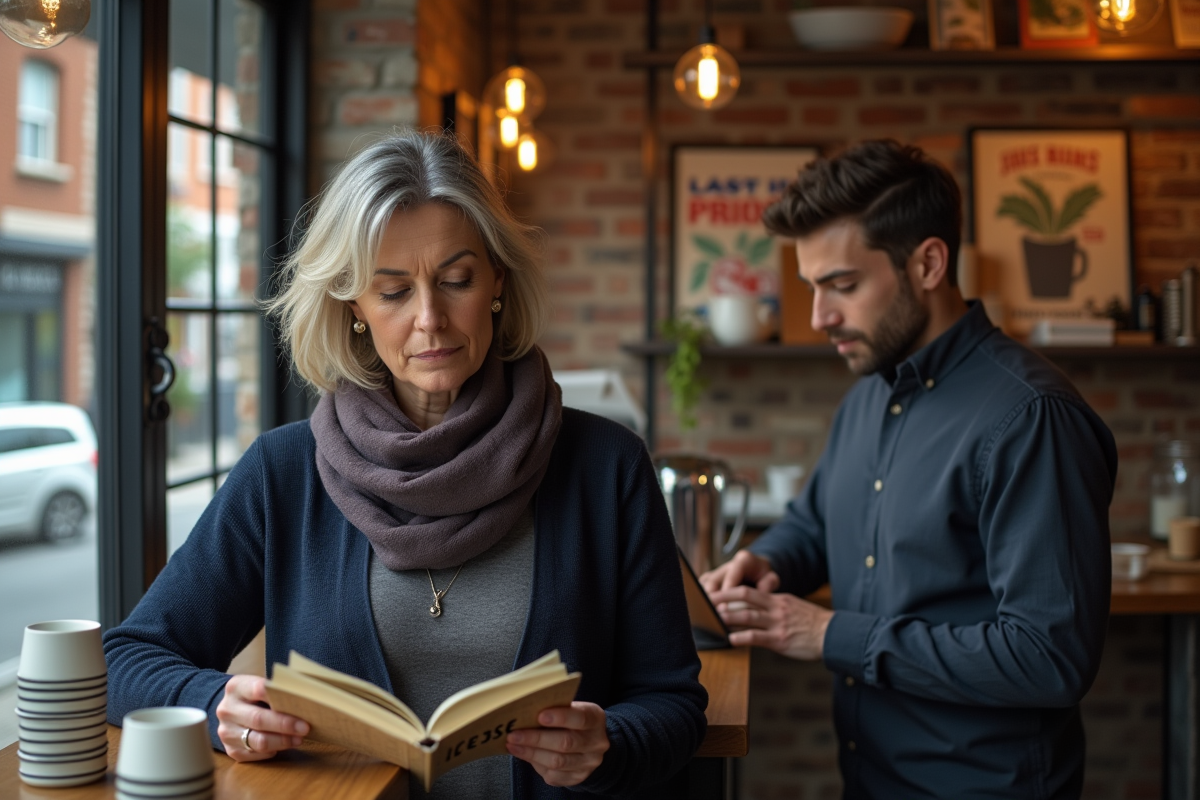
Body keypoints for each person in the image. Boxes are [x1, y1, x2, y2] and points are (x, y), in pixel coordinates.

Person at [103, 131, 707, 799]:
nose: (430, 319)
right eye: (392, 292)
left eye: (456, 280)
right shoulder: (282, 474)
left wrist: (610, 744)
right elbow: (124, 661)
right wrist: (217, 705)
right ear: (353, 307)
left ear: (497, 282)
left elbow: (674, 703)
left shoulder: (606, 467)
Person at [701, 140, 1117, 799]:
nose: (819, 317)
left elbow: (1049, 659)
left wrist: (832, 635)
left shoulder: (1031, 418)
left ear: (928, 263)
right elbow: (815, 521)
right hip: (872, 777)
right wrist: (769, 561)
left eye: (842, 285)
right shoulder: (868, 393)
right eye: (812, 288)